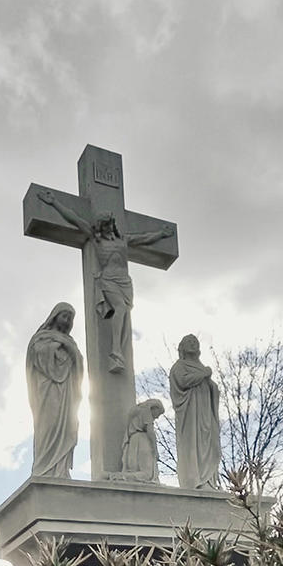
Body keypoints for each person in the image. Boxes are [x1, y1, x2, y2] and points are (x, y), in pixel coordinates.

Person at [37, 189, 173, 373]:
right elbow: (74, 219)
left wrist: (162, 234)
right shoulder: (97, 240)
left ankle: (119, 351)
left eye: (109, 224)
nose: (107, 227)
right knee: (121, 309)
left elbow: (145, 239)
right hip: (108, 279)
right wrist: (54, 203)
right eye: (104, 224)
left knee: (125, 316)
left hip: (124, 281)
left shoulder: (123, 240)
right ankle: (115, 352)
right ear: (100, 226)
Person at [26, 302, 84, 478]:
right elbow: (37, 356)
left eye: (70, 319)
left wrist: (70, 350)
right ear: (55, 316)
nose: (66, 321)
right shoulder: (41, 338)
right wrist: (56, 345)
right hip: (47, 390)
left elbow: (78, 364)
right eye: (64, 316)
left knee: (67, 427)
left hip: (67, 392)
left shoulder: (70, 342)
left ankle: (60, 470)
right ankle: (44, 469)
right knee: (48, 427)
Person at [169, 335, 221, 490]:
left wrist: (211, 386)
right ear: (182, 348)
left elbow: (213, 389)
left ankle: (209, 481)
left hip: (206, 413)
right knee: (194, 445)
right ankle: (196, 481)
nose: (193, 344)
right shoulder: (179, 366)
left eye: (195, 342)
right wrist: (204, 374)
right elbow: (183, 382)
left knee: (210, 445)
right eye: (189, 342)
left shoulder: (201, 366)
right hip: (191, 414)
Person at [106, 399, 165, 483]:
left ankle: (116, 476)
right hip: (142, 440)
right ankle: (118, 476)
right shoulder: (146, 411)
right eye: (158, 413)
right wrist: (155, 450)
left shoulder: (136, 411)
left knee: (134, 471)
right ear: (154, 407)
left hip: (132, 442)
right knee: (147, 475)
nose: (157, 417)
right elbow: (150, 431)